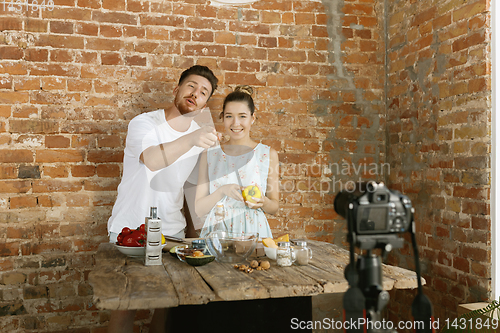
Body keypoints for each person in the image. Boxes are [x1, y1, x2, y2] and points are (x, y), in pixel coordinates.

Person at [106, 65, 219, 333]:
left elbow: (193, 194)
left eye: (204, 92)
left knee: (168, 307)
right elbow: (153, 160)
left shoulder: (200, 141)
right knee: (126, 304)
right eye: (191, 86)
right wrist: (193, 137)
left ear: (205, 103)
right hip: (129, 230)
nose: (195, 94)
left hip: (173, 234)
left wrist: (195, 237)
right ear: (176, 90)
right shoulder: (144, 123)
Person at [195, 85, 279, 238]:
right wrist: (222, 190)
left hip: (254, 232)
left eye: (242, 116)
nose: (235, 123)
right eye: (229, 116)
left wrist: (263, 201)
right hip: (217, 232)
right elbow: (199, 209)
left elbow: (274, 207)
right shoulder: (209, 154)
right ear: (222, 117)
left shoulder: (267, 154)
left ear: (252, 118)